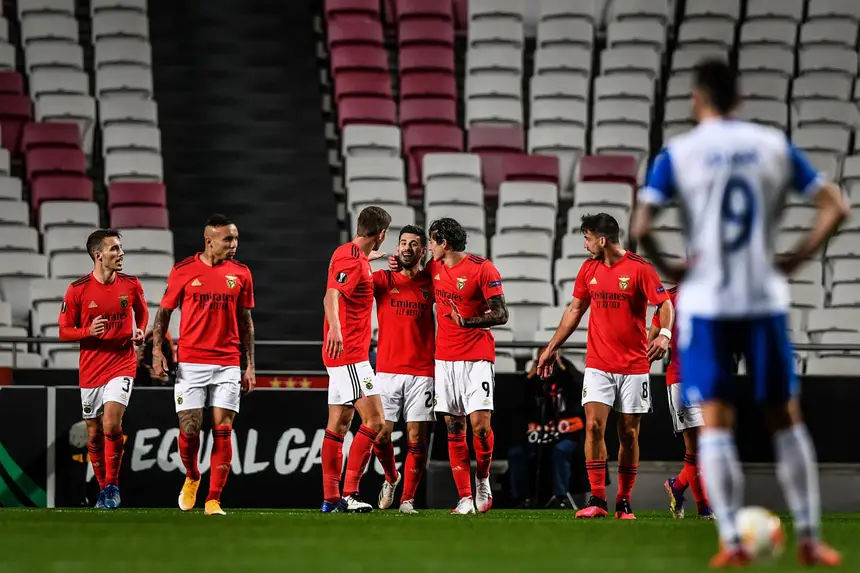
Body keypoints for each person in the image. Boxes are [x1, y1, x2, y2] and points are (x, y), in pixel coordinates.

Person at [630, 58, 847, 566]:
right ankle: (812, 539)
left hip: (707, 305)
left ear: (697, 99)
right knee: (786, 420)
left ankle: (731, 542)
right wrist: (795, 256)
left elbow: (641, 225)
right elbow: (835, 205)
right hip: (762, 299)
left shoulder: (679, 153)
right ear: (739, 98)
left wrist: (674, 269)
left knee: (717, 423)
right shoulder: (771, 145)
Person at [536, 213, 673, 520]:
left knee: (628, 434)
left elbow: (665, 304)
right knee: (594, 427)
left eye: (587, 238)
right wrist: (551, 348)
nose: (584, 245)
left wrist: (664, 334)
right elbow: (575, 310)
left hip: (634, 366)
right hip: (598, 364)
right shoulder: (588, 269)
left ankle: (623, 501)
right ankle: (597, 498)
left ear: (602, 239)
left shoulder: (640, 269)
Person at [392, 217, 509, 514]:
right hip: (445, 360)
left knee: (480, 428)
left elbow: (501, 314)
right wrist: (396, 264)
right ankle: (465, 497)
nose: (429, 248)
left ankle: (482, 479)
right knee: (454, 427)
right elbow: (411, 275)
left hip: (477, 358)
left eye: (431, 242)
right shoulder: (434, 268)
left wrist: (467, 322)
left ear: (444, 243)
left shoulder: (482, 269)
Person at [151, 214, 256, 517]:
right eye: (228, 239)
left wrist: (249, 366)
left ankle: (213, 500)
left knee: (223, 428)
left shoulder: (242, 273)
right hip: (191, 361)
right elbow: (164, 313)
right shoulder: (183, 270)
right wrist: (157, 351)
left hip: (227, 362)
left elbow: (246, 322)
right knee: (190, 428)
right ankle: (193, 475)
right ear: (210, 241)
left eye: (235, 238)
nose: (234, 245)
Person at [58, 229, 148, 510]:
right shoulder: (78, 289)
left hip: (122, 363)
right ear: (99, 255)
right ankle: (103, 490)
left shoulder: (131, 285)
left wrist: (141, 330)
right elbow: (63, 331)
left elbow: (142, 312)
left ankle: (112, 486)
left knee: (111, 424)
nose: (120, 254)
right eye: (114, 249)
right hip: (91, 368)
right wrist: (88, 331)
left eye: (121, 248)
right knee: (94, 432)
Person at [320, 206, 391, 513]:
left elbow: (348, 272)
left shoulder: (346, 252)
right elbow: (332, 294)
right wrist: (336, 328)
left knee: (338, 424)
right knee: (375, 421)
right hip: (349, 353)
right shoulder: (353, 261)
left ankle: (330, 499)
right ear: (381, 234)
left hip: (341, 354)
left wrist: (374, 259)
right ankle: (349, 494)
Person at [371, 225, 435, 514]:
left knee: (415, 439)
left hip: (422, 371)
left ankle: (407, 498)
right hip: (386, 370)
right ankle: (390, 477)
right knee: (381, 436)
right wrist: (367, 258)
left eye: (414, 244)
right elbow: (346, 283)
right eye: (403, 243)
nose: (407, 247)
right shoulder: (383, 279)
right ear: (397, 248)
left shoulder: (431, 281)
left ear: (423, 251)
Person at [647, 286, 714, 520]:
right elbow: (652, 336)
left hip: (710, 380)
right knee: (696, 448)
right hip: (682, 379)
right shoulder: (669, 299)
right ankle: (704, 508)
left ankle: (677, 486)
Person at [508, 350, 585, 510]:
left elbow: (579, 388)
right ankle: (523, 497)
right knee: (516, 453)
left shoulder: (568, 375)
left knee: (560, 450)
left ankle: (560, 496)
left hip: (566, 436)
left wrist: (562, 365)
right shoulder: (535, 380)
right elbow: (519, 401)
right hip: (538, 436)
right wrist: (533, 371)